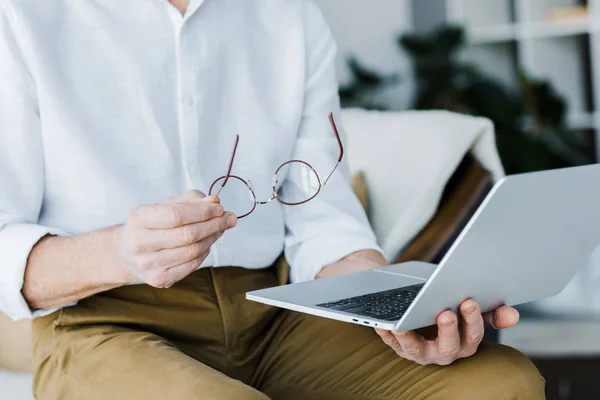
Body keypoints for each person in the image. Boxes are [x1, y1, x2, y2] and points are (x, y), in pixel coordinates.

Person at [0, 0, 544, 399]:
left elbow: (325, 223)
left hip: (274, 311)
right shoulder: (21, 17)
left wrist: (390, 309)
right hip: (104, 322)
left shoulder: (290, 15)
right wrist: (120, 252)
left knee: (501, 383)